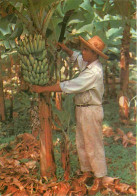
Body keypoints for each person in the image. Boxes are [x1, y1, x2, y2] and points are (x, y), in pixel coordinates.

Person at [31, 35, 109, 195]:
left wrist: (42, 89)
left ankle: (100, 178)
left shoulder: (94, 72)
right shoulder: (88, 63)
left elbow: (71, 85)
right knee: (81, 142)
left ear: (95, 55)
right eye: (84, 48)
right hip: (81, 109)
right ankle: (87, 172)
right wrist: (66, 49)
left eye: (86, 50)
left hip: (91, 110)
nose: (83, 51)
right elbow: (77, 58)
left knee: (93, 144)